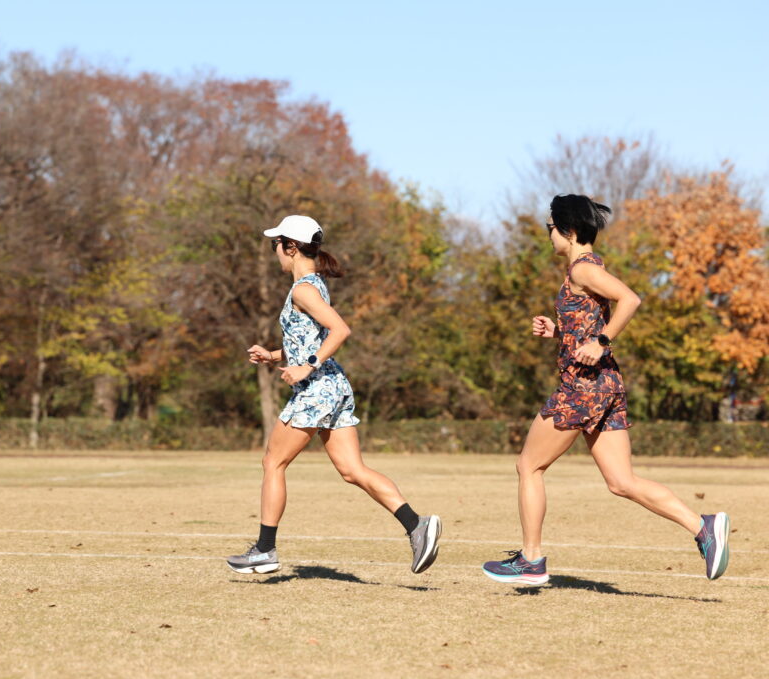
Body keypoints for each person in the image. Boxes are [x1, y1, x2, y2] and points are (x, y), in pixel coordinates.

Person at [482, 194, 729, 585]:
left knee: (529, 466)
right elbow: (589, 321)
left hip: (582, 387)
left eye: (550, 228)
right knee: (621, 482)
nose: (548, 235)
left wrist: (602, 341)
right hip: (604, 384)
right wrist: (559, 332)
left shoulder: (583, 269)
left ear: (569, 230)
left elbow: (630, 299)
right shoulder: (587, 268)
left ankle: (530, 560)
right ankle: (703, 526)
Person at [226, 215, 441, 575]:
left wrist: (307, 367)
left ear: (290, 248)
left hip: (317, 389)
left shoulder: (303, 290)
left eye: (276, 244)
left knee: (273, 463)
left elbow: (340, 330)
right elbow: (310, 339)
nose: (274, 251)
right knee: (353, 471)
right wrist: (274, 356)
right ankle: (417, 525)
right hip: (333, 386)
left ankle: (264, 550)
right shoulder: (315, 285)